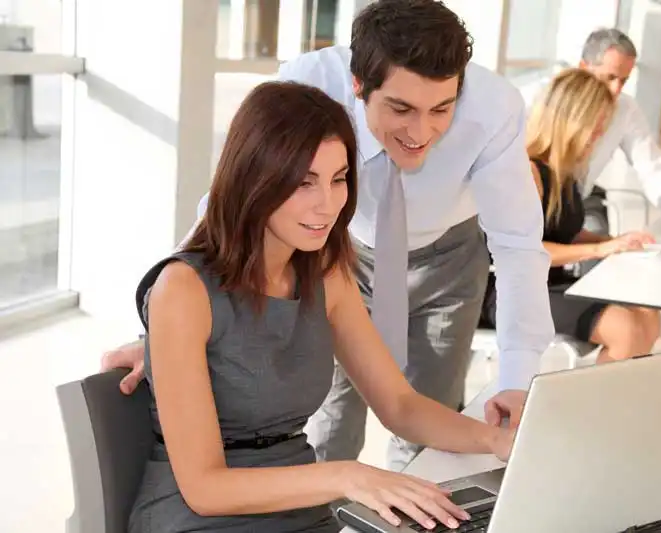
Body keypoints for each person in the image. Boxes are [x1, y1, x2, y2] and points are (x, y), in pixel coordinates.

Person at [102, 0, 553, 473]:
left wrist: (519, 379)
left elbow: (519, 246)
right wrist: (165, 336)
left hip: (447, 257)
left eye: (442, 109)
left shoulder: (494, 107)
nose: (423, 131)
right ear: (358, 86)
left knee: (430, 426)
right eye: (401, 108)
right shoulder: (309, 82)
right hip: (335, 249)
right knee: (330, 421)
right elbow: (230, 200)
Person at [127, 81, 514, 533]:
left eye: (338, 179)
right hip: (197, 517)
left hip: (301, 510)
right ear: (255, 178)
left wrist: (497, 441)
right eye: (303, 182)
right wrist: (347, 475)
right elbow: (205, 488)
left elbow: (400, 405)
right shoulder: (183, 289)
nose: (327, 205)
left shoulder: (325, 274)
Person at [522, 28, 661, 243]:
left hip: (575, 203)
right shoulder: (538, 101)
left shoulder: (624, 109)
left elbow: (655, 172)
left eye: (624, 81)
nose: (616, 90)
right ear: (583, 68)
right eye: (610, 77)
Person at [527, 68, 661, 362]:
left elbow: (563, 232)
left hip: (551, 282)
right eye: (595, 125)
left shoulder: (565, 172)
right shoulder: (528, 172)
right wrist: (599, 249)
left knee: (648, 312)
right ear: (569, 121)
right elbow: (524, 252)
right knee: (624, 328)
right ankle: (593, 407)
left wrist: (616, 242)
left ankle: (611, 403)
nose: (600, 135)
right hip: (512, 291)